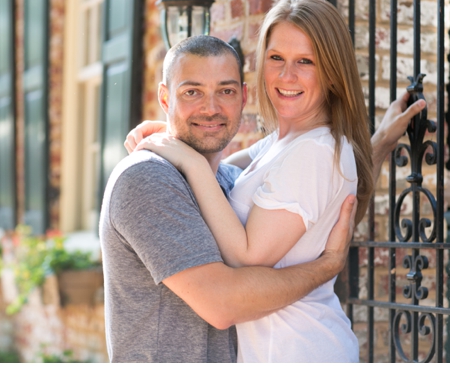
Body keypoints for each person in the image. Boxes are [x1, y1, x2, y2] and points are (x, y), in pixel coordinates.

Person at [100, 33, 359, 363]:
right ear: (165, 99)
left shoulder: (228, 183)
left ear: (243, 98)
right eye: (192, 92)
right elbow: (223, 305)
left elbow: (314, 169)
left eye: (225, 91)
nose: (210, 108)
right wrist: (325, 267)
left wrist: (380, 144)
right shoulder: (148, 178)